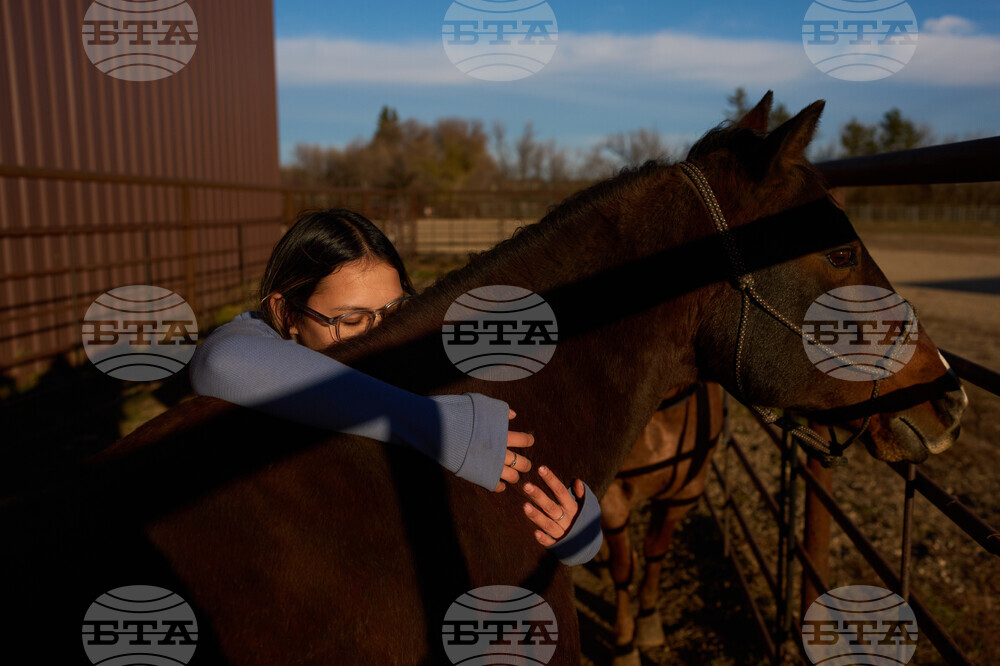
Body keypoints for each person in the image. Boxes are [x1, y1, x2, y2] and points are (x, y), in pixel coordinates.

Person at [189, 209, 602, 565]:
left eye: (394, 310)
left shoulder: (427, 344)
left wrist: (573, 519)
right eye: (350, 321)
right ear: (286, 314)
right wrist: (431, 424)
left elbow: (515, 437)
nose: (380, 336)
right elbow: (220, 361)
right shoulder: (259, 343)